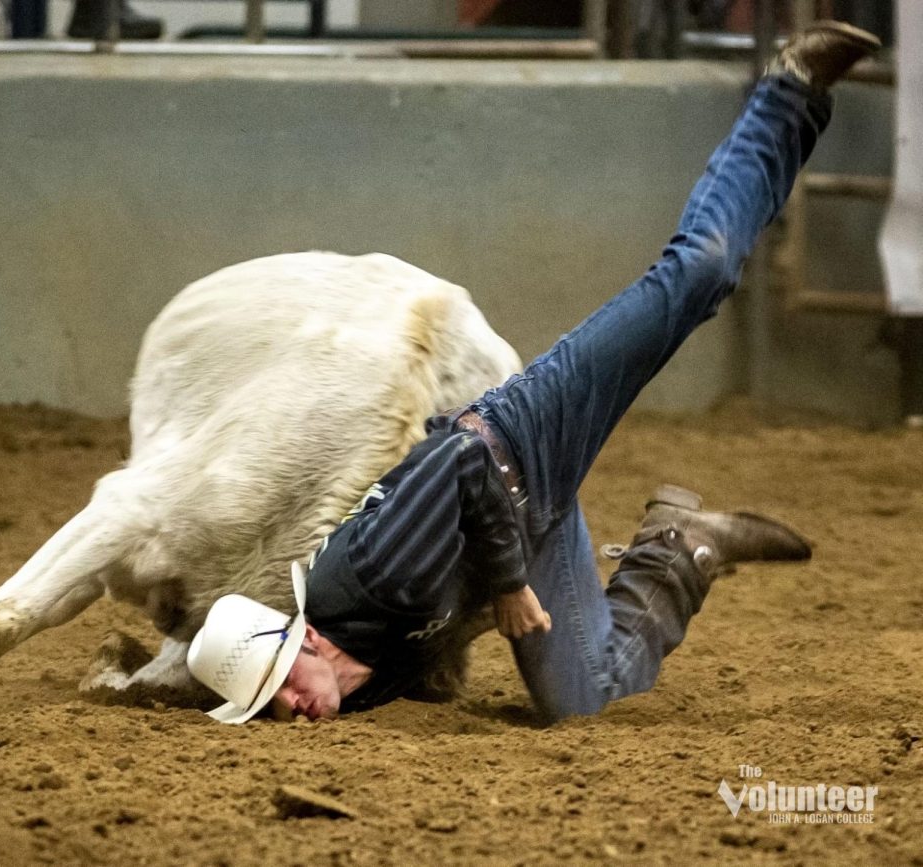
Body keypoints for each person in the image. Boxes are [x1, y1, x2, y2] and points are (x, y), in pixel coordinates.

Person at [185, 21, 880, 726]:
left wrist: (511, 587)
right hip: (523, 523)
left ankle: (788, 90)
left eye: (282, 681)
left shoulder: (365, 576)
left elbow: (462, 458)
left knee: (699, 273)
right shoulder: (359, 682)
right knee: (579, 696)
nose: (293, 706)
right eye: (271, 706)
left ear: (304, 635)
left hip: (521, 440)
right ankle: (683, 549)